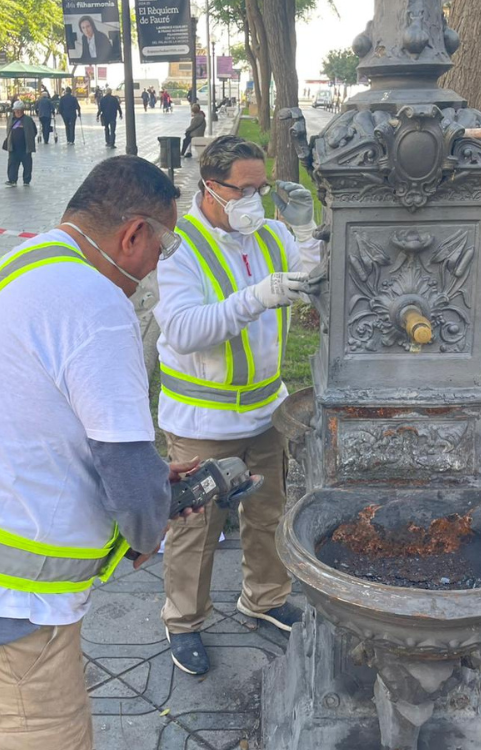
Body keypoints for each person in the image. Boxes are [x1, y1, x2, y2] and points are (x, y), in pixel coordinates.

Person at [0, 155, 197, 750]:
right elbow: (125, 464)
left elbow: (40, 415)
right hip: (9, 615)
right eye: (162, 251)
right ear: (134, 233)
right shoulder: (97, 303)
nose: (154, 268)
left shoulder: (28, 261)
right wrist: (149, 525)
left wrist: (146, 481)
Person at [153, 136, 322, 676]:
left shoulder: (270, 235)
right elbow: (181, 331)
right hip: (203, 421)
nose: (254, 198)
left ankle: (265, 598)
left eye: (262, 187)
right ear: (210, 188)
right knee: (196, 529)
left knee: (267, 513)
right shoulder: (180, 248)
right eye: (243, 189)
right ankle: (184, 621)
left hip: (264, 413)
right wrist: (255, 298)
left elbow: (312, 274)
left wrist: (302, 226)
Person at [2, 100, 37, 187]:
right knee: (12, 164)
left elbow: (34, 131)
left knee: (27, 164)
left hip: (25, 147)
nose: (17, 112)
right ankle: (12, 180)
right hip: (13, 146)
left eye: (19, 110)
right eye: (16, 110)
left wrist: (30, 139)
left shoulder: (28, 120)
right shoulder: (11, 118)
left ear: (22, 110)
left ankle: (26, 180)